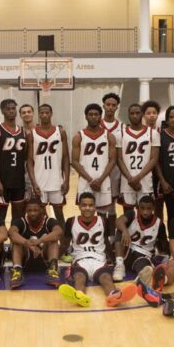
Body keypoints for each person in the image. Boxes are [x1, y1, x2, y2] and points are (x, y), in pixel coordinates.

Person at [58, 192, 137, 308]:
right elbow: (64, 243)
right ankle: (79, 296)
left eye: (90, 205)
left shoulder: (103, 221)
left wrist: (114, 261)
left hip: (99, 259)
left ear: (95, 207)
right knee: (79, 277)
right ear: (79, 206)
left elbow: (106, 242)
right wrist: (54, 260)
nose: (87, 208)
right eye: (84, 205)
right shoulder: (71, 221)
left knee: (106, 278)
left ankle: (114, 295)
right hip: (80, 259)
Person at [71, 103, 118, 260]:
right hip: (86, 182)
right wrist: (91, 179)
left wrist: (102, 178)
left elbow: (112, 160)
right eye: (90, 114)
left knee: (103, 218)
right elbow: (75, 161)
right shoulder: (79, 136)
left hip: (103, 181)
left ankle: (104, 248)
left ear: (100, 116)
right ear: (86, 116)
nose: (93, 117)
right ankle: (83, 246)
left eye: (96, 114)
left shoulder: (109, 136)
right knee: (85, 213)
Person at [27, 103, 70, 227]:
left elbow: (66, 157)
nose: (44, 115)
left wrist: (66, 180)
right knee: (41, 215)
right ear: (39, 115)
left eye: (47, 112)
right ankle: (44, 242)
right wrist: (34, 183)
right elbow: (30, 161)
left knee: (59, 213)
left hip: (56, 181)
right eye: (42, 112)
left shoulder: (60, 132)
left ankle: (63, 243)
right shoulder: (32, 133)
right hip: (40, 181)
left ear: (51, 114)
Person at [114, 195, 168, 287]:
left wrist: (167, 257)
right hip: (126, 249)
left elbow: (164, 242)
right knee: (120, 230)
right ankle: (119, 265)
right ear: (138, 207)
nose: (145, 212)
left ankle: (143, 278)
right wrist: (125, 230)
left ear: (153, 208)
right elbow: (119, 221)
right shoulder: (132, 214)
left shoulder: (159, 224)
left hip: (143, 254)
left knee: (145, 267)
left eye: (148, 209)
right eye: (142, 208)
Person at [8, 198, 63, 288]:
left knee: (53, 240)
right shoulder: (21, 221)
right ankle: (17, 271)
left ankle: (52, 270)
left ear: (41, 210)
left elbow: (58, 232)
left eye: (35, 210)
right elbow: (11, 233)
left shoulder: (49, 221)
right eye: (29, 210)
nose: (32, 213)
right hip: (26, 258)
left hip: (44, 257)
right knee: (16, 242)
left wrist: (40, 241)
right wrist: (27, 243)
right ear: (26, 210)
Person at [0, 98, 28, 221]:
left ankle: (15, 241)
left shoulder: (24, 132)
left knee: (18, 217)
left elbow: (26, 157)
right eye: (8, 109)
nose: (11, 111)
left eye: (13, 108)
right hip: (3, 180)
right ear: (2, 111)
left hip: (19, 180)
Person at [117, 103, 160, 209]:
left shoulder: (153, 133)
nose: (135, 116)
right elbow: (119, 159)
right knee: (128, 214)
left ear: (142, 114)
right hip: (127, 181)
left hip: (145, 181)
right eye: (132, 113)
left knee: (145, 214)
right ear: (128, 115)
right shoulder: (120, 134)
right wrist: (130, 178)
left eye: (137, 113)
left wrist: (138, 177)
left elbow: (154, 159)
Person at [101, 93, 124, 204]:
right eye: (108, 104)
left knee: (112, 205)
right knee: (98, 203)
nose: (110, 107)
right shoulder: (96, 125)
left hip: (115, 170)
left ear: (116, 107)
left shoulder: (122, 127)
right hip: (99, 168)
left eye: (113, 105)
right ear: (103, 106)